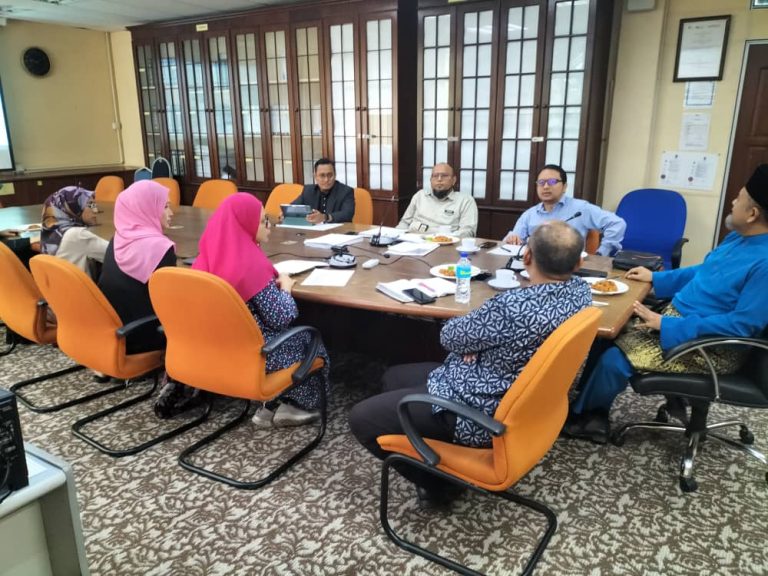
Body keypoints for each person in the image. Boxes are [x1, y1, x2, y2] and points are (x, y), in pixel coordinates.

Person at [349, 220, 591, 507]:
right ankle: (433, 452)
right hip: (509, 391)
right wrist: (482, 344)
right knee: (393, 377)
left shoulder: (511, 307)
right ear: (578, 264)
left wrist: (475, 343)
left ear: (526, 257)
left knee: (361, 418)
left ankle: (441, 485)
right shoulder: (581, 294)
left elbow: (450, 336)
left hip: (478, 411)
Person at [565, 164, 768, 444]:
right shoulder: (739, 238)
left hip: (710, 347)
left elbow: (743, 325)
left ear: (752, 213)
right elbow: (703, 271)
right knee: (604, 333)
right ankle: (586, 404)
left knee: (614, 359)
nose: (733, 202)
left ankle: (587, 419)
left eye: (739, 198)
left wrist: (667, 325)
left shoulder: (764, 263)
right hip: (680, 320)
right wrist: (656, 278)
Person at [193, 193, 331, 427]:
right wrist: (285, 287)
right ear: (245, 224)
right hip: (257, 354)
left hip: (217, 349)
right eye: (263, 221)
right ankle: (297, 405)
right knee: (311, 342)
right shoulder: (249, 264)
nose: (269, 225)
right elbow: (282, 317)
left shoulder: (206, 258)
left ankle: (271, 405)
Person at [98, 180, 176, 355]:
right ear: (145, 209)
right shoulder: (160, 249)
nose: (171, 213)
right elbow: (170, 304)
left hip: (114, 333)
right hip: (146, 335)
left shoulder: (117, 240)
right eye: (165, 207)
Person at [504, 164, 626, 256]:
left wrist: (601, 253)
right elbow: (513, 240)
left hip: (569, 269)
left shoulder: (581, 209)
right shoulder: (530, 214)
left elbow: (617, 223)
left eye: (552, 182)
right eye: (541, 182)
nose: (545, 186)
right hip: (534, 268)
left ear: (564, 186)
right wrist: (512, 239)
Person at [40, 186, 108, 276]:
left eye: (94, 205)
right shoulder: (77, 235)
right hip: (84, 285)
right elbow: (116, 255)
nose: (96, 211)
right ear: (74, 208)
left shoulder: (52, 231)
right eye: (90, 205)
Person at [396, 163, 478, 238]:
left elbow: (468, 232)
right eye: (435, 176)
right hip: (413, 242)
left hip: (445, 244)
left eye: (444, 176)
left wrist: (442, 237)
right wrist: (395, 238)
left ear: (453, 180)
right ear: (430, 180)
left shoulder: (465, 201)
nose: (439, 179)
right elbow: (404, 223)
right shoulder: (419, 196)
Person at [290, 158, 355, 224]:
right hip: (313, 229)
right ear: (315, 176)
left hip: (337, 229)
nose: (326, 179)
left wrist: (325, 217)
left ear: (335, 175)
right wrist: (286, 213)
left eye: (330, 175)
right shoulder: (308, 191)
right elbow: (292, 208)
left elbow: (347, 214)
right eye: (322, 176)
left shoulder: (346, 191)